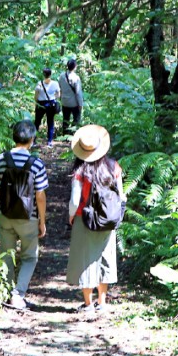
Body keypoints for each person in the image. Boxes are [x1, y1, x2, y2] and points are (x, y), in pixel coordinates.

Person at [66, 124, 126, 317]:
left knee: (86, 260)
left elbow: (75, 200)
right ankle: (102, 302)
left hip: (85, 219)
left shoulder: (80, 170)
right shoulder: (114, 166)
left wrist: (71, 217)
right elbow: (122, 197)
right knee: (105, 258)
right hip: (108, 220)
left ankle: (88, 304)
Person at [0, 120, 49, 310]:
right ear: (32, 139)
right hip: (28, 217)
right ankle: (18, 295)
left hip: (5, 214)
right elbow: (40, 196)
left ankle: (6, 292)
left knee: (6, 254)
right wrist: (42, 220)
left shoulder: (0, 160)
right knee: (29, 257)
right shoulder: (36, 164)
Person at [34, 67, 61, 148]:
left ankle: (33, 140)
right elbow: (58, 95)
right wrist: (54, 98)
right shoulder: (55, 83)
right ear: (50, 74)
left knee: (37, 122)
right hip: (51, 104)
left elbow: (36, 96)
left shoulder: (39, 83)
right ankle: (49, 141)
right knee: (50, 122)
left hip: (41, 104)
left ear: (43, 74)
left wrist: (37, 102)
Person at [58, 58, 84, 136]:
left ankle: (65, 135)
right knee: (76, 119)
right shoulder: (76, 78)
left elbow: (60, 87)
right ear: (75, 67)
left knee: (65, 119)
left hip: (65, 102)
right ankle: (73, 135)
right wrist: (80, 104)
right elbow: (78, 92)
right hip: (74, 103)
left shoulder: (62, 76)